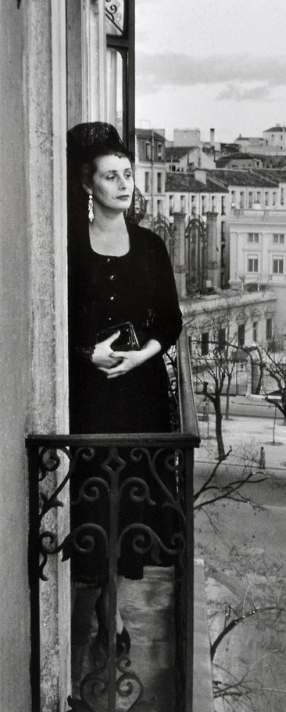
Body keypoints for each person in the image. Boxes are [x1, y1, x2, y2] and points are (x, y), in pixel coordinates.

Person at [66, 122, 183, 654]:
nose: (123, 184)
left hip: (141, 398)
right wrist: (85, 353)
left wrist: (141, 356)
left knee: (128, 507)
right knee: (94, 506)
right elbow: (56, 317)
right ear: (89, 185)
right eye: (111, 176)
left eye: (128, 175)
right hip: (89, 400)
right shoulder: (68, 244)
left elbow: (171, 323)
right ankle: (86, 604)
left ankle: (110, 612)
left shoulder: (152, 246)